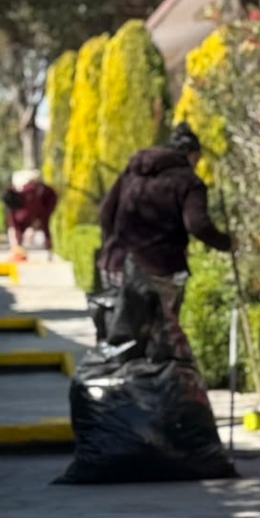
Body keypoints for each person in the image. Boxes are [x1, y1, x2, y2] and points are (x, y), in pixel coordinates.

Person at [97, 122, 233, 366]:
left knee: (120, 336)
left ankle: (121, 388)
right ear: (192, 155)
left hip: (116, 266)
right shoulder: (189, 181)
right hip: (161, 270)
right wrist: (226, 243)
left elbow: (106, 212)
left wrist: (115, 247)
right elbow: (198, 225)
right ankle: (155, 393)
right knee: (160, 340)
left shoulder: (134, 170)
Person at [2, 178, 58, 261]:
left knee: (44, 223)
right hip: (35, 205)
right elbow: (16, 225)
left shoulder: (30, 197)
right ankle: (19, 249)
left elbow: (39, 211)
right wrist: (17, 245)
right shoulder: (12, 208)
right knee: (23, 221)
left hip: (48, 200)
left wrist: (37, 221)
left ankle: (49, 251)